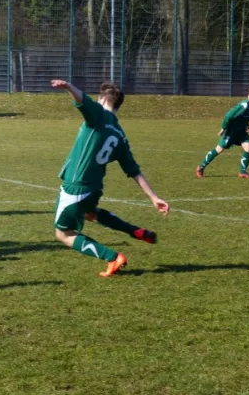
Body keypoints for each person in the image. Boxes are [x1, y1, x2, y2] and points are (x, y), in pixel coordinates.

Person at [51, 79, 169, 277]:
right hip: (94, 188)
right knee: (89, 214)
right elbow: (134, 171)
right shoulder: (120, 135)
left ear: (103, 99)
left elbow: (82, 100)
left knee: (63, 234)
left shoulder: (98, 115)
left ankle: (112, 257)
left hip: (77, 186)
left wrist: (68, 86)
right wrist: (153, 197)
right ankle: (135, 231)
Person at [196, 86, 249, 179]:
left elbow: (245, 118)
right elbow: (228, 116)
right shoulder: (244, 105)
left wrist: (246, 126)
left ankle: (242, 172)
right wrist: (223, 128)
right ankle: (201, 167)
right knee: (219, 149)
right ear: (248, 96)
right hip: (231, 131)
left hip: (241, 131)